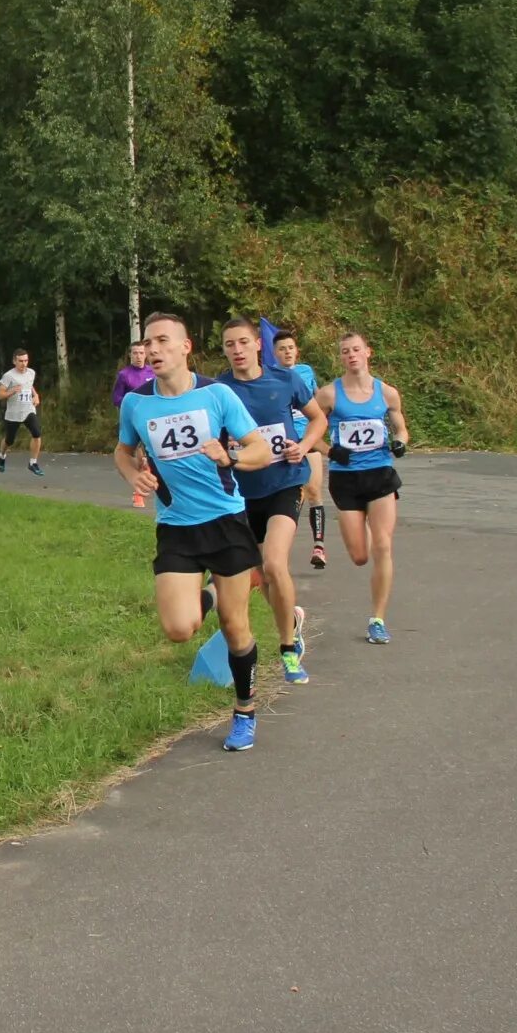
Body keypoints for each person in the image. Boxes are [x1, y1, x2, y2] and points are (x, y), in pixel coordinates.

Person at [113, 313, 274, 751]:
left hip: (225, 521)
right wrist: (133, 476)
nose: (153, 349)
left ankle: (244, 710)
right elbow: (122, 452)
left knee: (235, 627)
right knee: (179, 628)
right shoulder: (136, 403)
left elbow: (259, 448)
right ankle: (212, 594)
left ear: (186, 347)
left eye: (163, 340)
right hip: (176, 527)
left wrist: (230, 457)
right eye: (148, 342)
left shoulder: (217, 395)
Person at [215, 317, 326, 685]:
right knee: (260, 577)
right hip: (242, 494)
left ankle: (289, 649)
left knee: (274, 565)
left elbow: (317, 419)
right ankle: (289, 615)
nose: (238, 350)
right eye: (230, 344)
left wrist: (304, 446)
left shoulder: (285, 380)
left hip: (284, 484)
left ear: (257, 345)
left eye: (244, 342)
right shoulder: (218, 391)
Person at [313, 331, 410, 644]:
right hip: (346, 479)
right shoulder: (328, 394)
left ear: (368, 352)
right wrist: (330, 451)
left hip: (380, 475)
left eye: (356, 349)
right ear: (340, 357)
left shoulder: (387, 393)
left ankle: (377, 619)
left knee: (383, 545)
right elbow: (309, 431)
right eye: (345, 351)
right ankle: (366, 526)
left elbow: (402, 428)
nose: (351, 355)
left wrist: (400, 443)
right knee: (359, 555)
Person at [273, 328, 328, 569]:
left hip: (309, 440)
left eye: (291, 348)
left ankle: (319, 547)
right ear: (274, 353)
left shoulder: (306, 372)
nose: (287, 352)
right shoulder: (269, 376)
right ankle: (280, 549)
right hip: (284, 443)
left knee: (314, 490)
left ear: (297, 351)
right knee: (295, 496)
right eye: (282, 349)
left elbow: (318, 401)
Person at [0, 348, 46, 476]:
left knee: (37, 433)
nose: (24, 364)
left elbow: (29, 385)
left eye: (26, 360)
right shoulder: (8, 376)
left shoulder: (31, 373)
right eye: (20, 361)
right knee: (9, 440)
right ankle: (2, 456)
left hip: (28, 409)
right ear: (14, 361)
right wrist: (11, 391)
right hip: (14, 413)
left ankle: (33, 463)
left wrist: (36, 395)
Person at [111, 342, 151, 506]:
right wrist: (133, 404)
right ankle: (138, 493)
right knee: (140, 458)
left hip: (153, 419)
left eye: (141, 353)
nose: (139, 356)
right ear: (130, 355)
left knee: (152, 458)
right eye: (135, 353)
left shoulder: (153, 372)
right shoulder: (124, 375)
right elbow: (116, 399)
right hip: (133, 420)